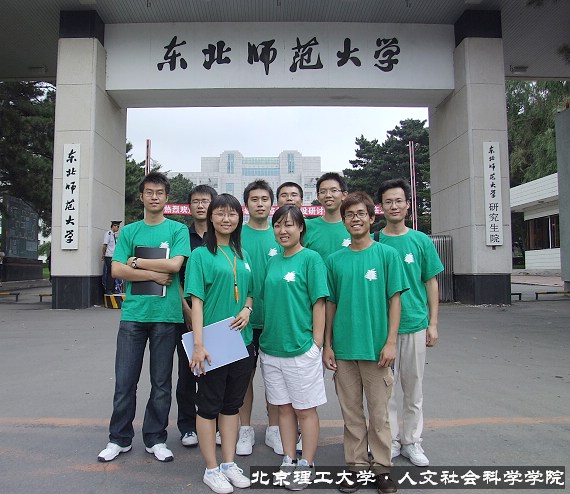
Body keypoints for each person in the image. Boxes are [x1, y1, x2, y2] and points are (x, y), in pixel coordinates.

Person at [98, 171, 191, 463]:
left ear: (167, 198)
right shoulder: (129, 232)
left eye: (159, 193)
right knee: (125, 381)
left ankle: (155, 438)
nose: (154, 197)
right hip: (134, 316)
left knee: (161, 383)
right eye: (149, 192)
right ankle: (119, 438)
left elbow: (175, 265)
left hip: (166, 317)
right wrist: (152, 274)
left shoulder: (178, 230)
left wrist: (136, 262)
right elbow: (117, 270)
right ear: (141, 196)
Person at [323, 192, 408, 494]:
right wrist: (327, 344)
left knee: (379, 415)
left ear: (372, 218)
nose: (355, 219)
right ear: (344, 221)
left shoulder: (387, 255)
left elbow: (395, 300)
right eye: (350, 215)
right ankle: (356, 467)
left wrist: (391, 342)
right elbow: (330, 304)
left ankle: (382, 468)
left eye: (361, 214)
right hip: (344, 350)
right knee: (352, 415)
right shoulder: (334, 260)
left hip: (376, 350)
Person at [184, 193, 254, 494]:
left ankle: (228, 463)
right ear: (211, 217)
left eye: (232, 213)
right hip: (213, 344)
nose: (227, 219)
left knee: (231, 405)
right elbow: (196, 303)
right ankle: (211, 469)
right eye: (220, 213)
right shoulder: (201, 255)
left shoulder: (243, 253)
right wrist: (199, 346)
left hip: (241, 342)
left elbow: (250, 292)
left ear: (239, 218)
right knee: (208, 406)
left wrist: (247, 308)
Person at [259, 205, 328, 490]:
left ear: (301, 228)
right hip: (271, 348)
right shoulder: (273, 261)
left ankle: (306, 462)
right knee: (284, 409)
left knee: (305, 410)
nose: (282, 230)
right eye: (278, 225)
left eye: (289, 224)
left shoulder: (311, 259)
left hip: (301, 349)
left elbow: (319, 302)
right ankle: (289, 458)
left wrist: (316, 344)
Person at [377, 179, 444, 467]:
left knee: (413, 387)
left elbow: (431, 281)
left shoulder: (421, 241)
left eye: (399, 201)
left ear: (407, 205)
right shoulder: (375, 241)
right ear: (381, 207)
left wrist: (433, 323)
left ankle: (412, 441)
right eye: (388, 202)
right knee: (385, 390)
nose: (394, 206)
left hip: (415, 323)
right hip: (381, 329)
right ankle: (390, 441)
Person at [237, 180, 282, 456]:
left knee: (275, 380)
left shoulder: (281, 233)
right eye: (254, 199)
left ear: (271, 203)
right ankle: (245, 429)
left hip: (276, 320)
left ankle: (275, 429)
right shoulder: (236, 235)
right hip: (243, 321)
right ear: (246, 205)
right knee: (244, 378)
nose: (260, 204)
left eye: (265, 199)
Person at [177, 184, 218, 448]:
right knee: (187, 372)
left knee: (215, 373)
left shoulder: (221, 235)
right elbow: (175, 278)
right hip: (187, 316)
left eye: (205, 201)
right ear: (189, 206)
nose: (201, 205)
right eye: (196, 201)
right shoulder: (182, 236)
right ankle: (187, 425)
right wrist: (187, 310)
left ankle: (214, 423)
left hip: (216, 317)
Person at [303, 172, 350, 261]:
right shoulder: (307, 227)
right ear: (318, 197)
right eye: (323, 192)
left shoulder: (354, 225)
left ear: (344, 195)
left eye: (333, 190)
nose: (328, 195)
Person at [101, 221, 121, 294]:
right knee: (110, 273)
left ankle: (113, 289)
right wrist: (104, 254)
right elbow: (104, 245)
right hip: (109, 256)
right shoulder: (108, 234)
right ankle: (108, 289)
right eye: (117, 226)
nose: (118, 228)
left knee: (113, 272)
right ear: (113, 226)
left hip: (113, 256)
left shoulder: (113, 235)